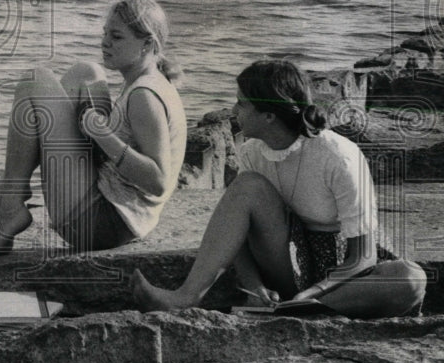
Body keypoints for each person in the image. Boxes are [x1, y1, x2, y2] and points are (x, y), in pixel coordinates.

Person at [131, 59, 427, 319]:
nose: (234, 112)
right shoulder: (252, 153)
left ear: (269, 115)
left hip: (344, 276)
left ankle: (311, 310)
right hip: (291, 262)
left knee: (410, 279)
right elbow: (237, 236)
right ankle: (185, 298)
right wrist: (253, 285)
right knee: (246, 186)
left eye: (242, 103)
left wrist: (316, 292)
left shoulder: (338, 156)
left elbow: (363, 257)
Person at [0, 0, 187, 254]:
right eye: (105, 33)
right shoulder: (149, 80)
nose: (105, 42)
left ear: (147, 44)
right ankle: (8, 189)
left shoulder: (144, 97)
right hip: (117, 212)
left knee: (35, 81)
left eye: (116, 36)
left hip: (98, 222)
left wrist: (103, 136)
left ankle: (10, 202)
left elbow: (158, 181)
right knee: (86, 73)